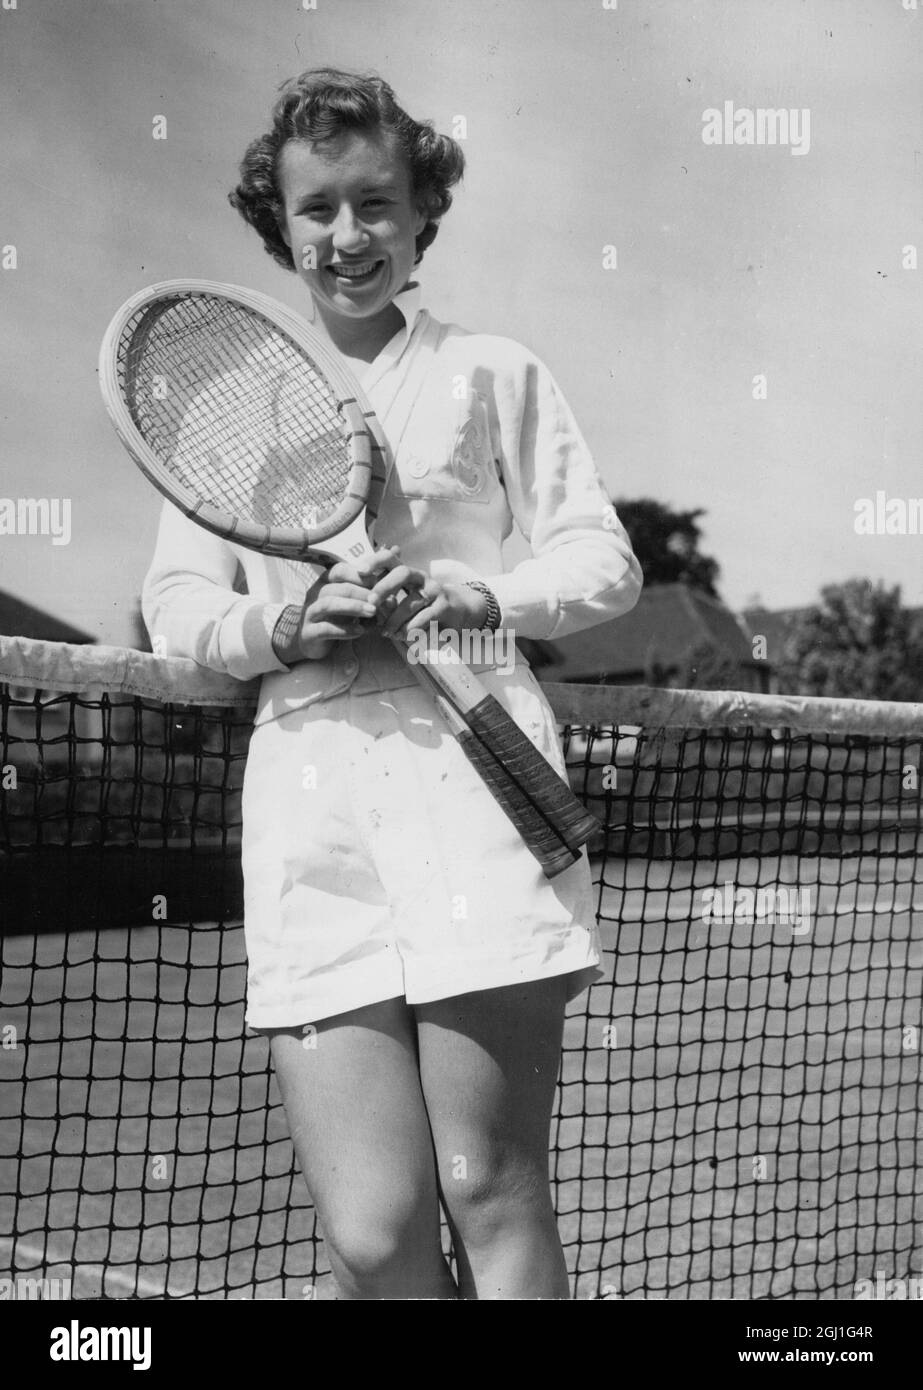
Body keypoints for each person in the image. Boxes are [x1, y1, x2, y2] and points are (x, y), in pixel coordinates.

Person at [142, 67, 642, 1300]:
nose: (348, 235)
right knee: (372, 1233)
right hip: (312, 814)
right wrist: (283, 625)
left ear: (423, 216)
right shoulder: (224, 402)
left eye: (377, 203)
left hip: (484, 796)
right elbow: (176, 607)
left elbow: (604, 559)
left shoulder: (495, 370)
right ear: (280, 222)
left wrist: (492, 597)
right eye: (318, 209)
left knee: (489, 1185)